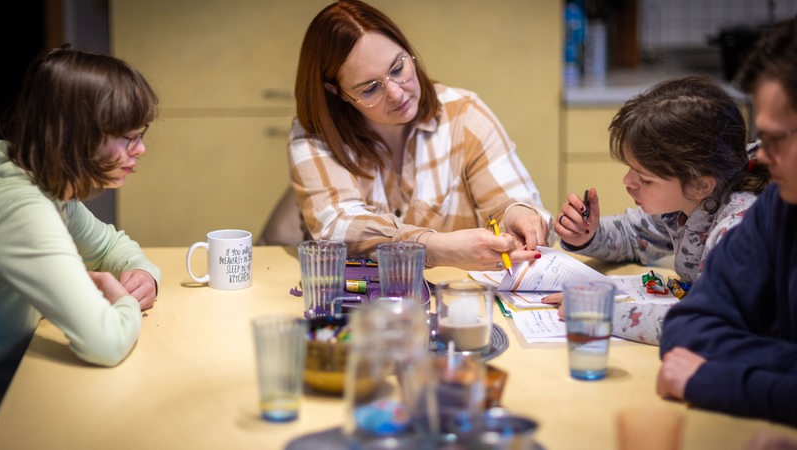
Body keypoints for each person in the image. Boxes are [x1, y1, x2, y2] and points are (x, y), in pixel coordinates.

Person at [288, 0, 551, 271]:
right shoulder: (315, 135)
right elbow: (338, 226)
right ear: (337, 92)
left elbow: (509, 200)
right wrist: (434, 248)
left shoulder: (464, 114)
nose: (397, 94)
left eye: (398, 69)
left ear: (407, 51)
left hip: (460, 302)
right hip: (366, 307)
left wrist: (519, 214)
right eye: (370, 89)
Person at [544, 75, 769, 345]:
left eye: (645, 178)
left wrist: (598, 309)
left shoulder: (738, 230)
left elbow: (708, 325)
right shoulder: (691, 201)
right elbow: (634, 236)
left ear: (700, 184)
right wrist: (588, 235)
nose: (628, 182)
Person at [0, 46, 161, 402]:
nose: (141, 149)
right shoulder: (23, 207)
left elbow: (109, 247)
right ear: (77, 135)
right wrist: (126, 304)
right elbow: (106, 343)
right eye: (127, 136)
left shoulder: (45, 181)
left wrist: (144, 276)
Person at [657, 16, 797, 426]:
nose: (761, 157)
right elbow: (688, 326)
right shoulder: (780, 205)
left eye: (773, 139)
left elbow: (698, 360)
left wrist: (721, 380)